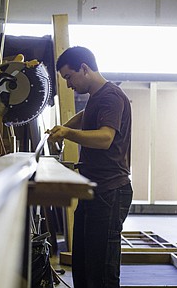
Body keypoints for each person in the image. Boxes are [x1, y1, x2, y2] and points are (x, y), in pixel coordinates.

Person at [46, 46, 133, 287]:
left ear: (84, 68)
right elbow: (87, 116)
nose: (68, 84)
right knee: (83, 264)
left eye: (69, 77)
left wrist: (68, 133)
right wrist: (62, 128)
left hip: (110, 192)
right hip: (94, 190)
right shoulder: (97, 97)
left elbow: (105, 138)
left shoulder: (110, 96)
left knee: (101, 271)